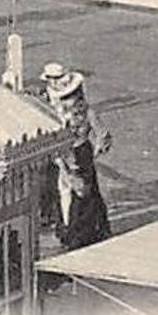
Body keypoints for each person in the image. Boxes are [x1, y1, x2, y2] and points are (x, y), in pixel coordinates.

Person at [43, 64, 113, 252]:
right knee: (63, 190)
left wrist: (97, 147)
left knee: (80, 193)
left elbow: (103, 135)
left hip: (79, 154)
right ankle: (67, 227)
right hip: (64, 152)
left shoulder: (84, 113)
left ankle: (78, 230)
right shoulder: (58, 110)